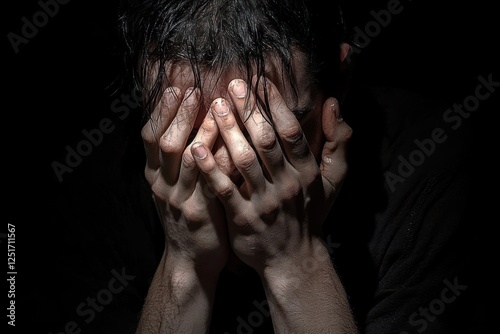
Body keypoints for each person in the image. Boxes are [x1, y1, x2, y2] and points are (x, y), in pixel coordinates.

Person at [117, 0, 488, 333]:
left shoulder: (436, 162)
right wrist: (184, 262)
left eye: (272, 134)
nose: (231, 169)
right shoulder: (105, 188)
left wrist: (292, 260)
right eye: (193, 139)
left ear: (341, 82)